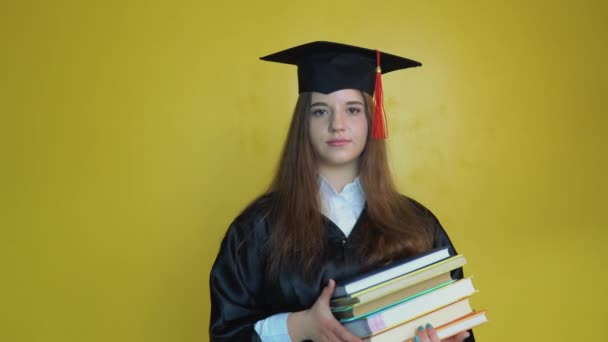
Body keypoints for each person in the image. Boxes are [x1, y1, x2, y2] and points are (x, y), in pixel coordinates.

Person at [209, 41, 474, 342]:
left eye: (352, 109)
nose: (337, 124)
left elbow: (457, 325)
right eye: (320, 111)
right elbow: (226, 334)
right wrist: (300, 326)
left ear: (370, 121)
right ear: (303, 125)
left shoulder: (417, 224)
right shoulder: (257, 229)